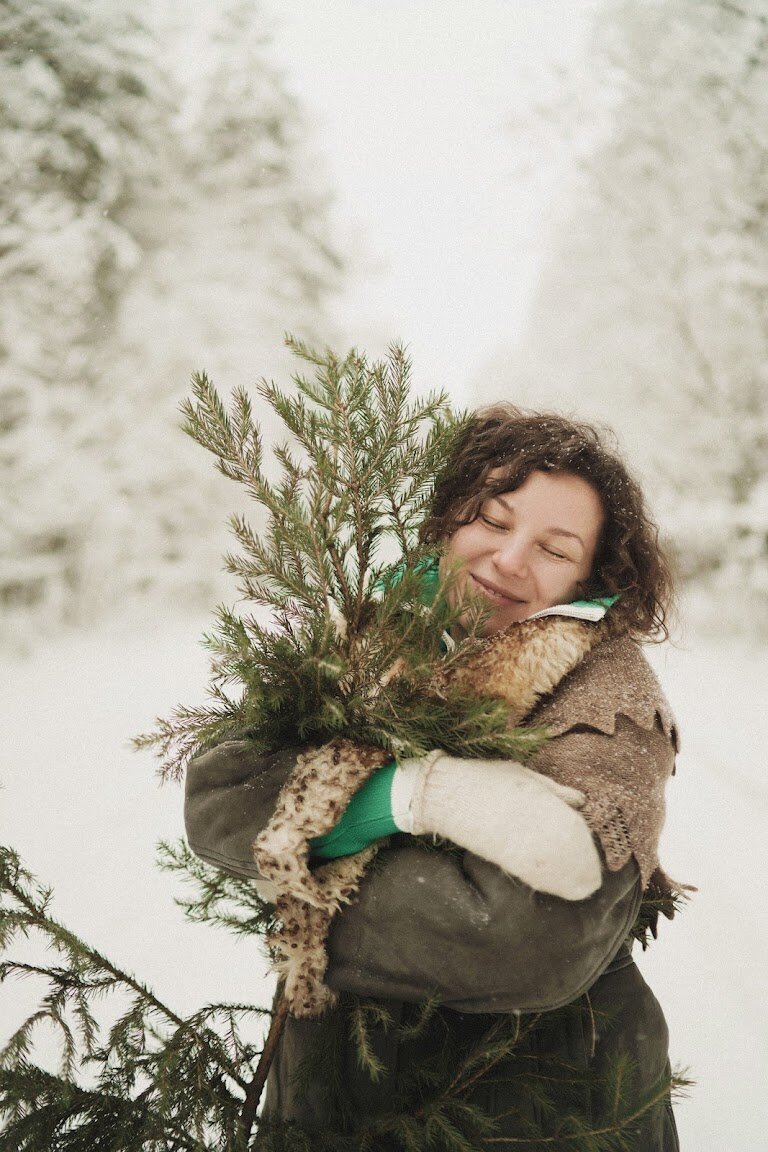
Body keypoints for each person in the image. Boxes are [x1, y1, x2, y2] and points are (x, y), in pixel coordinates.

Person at [184, 406, 682, 1149]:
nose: (510, 561)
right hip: (329, 1102)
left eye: (554, 548)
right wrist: (415, 796)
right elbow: (219, 795)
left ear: (592, 575)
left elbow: (526, 941)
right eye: (492, 518)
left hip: (536, 1112)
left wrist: (299, 880)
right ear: (448, 520)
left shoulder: (610, 699)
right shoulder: (373, 637)